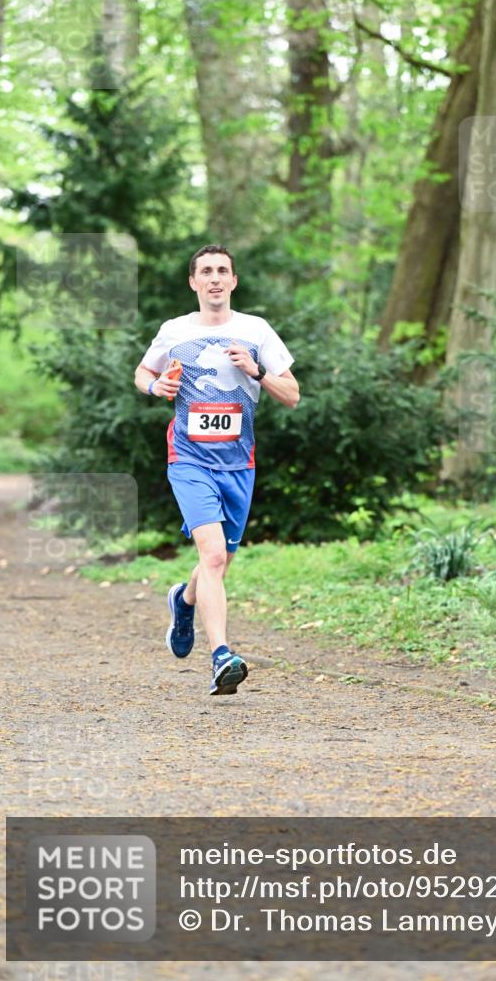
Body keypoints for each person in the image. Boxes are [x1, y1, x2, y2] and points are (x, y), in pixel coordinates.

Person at [134, 245, 299, 695]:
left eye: (222, 271)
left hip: (237, 463)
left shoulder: (256, 331)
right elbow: (142, 373)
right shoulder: (174, 330)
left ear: (233, 281)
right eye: (205, 271)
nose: (214, 278)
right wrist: (156, 385)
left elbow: (292, 394)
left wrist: (257, 370)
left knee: (220, 561)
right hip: (188, 459)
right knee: (211, 556)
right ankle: (222, 655)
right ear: (193, 283)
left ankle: (183, 602)